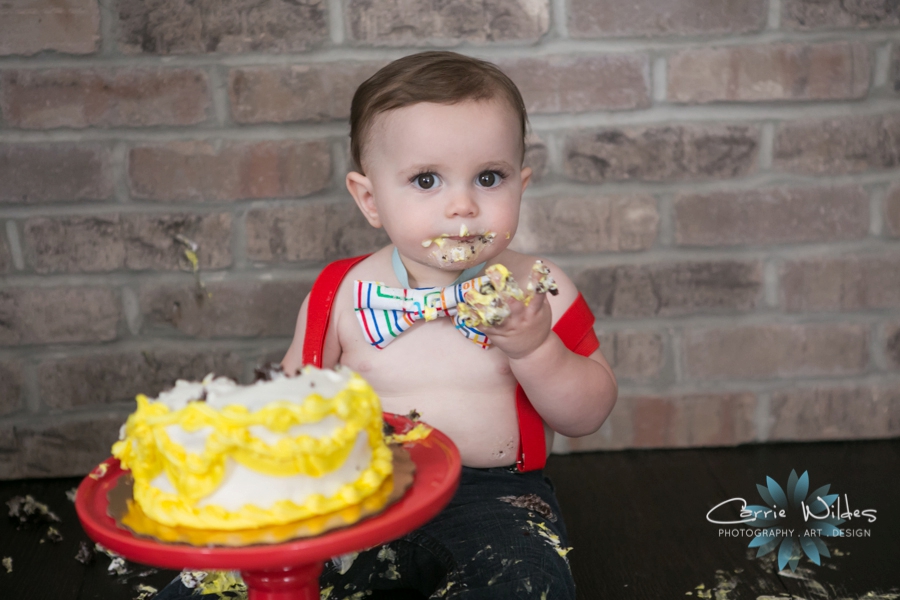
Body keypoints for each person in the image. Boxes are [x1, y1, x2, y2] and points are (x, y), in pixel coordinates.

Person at [156, 51, 617, 600]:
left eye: (488, 178)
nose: (463, 207)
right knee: (231, 581)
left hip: (493, 498)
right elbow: (289, 406)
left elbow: (587, 414)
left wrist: (537, 348)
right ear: (370, 199)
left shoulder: (540, 289)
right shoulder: (342, 293)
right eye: (426, 180)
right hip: (357, 488)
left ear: (521, 184)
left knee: (527, 584)